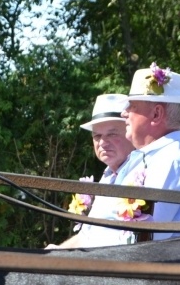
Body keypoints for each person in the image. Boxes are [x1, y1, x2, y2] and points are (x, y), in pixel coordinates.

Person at [115, 62, 180, 240]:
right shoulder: (158, 158)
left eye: (131, 106)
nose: (124, 114)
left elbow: (136, 242)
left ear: (156, 114)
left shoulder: (172, 162)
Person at [47, 93, 136, 248]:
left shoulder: (140, 174)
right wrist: (56, 252)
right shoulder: (108, 177)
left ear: (129, 132)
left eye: (112, 134)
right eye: (97, 136)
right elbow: (86, 236)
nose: (102, 142)